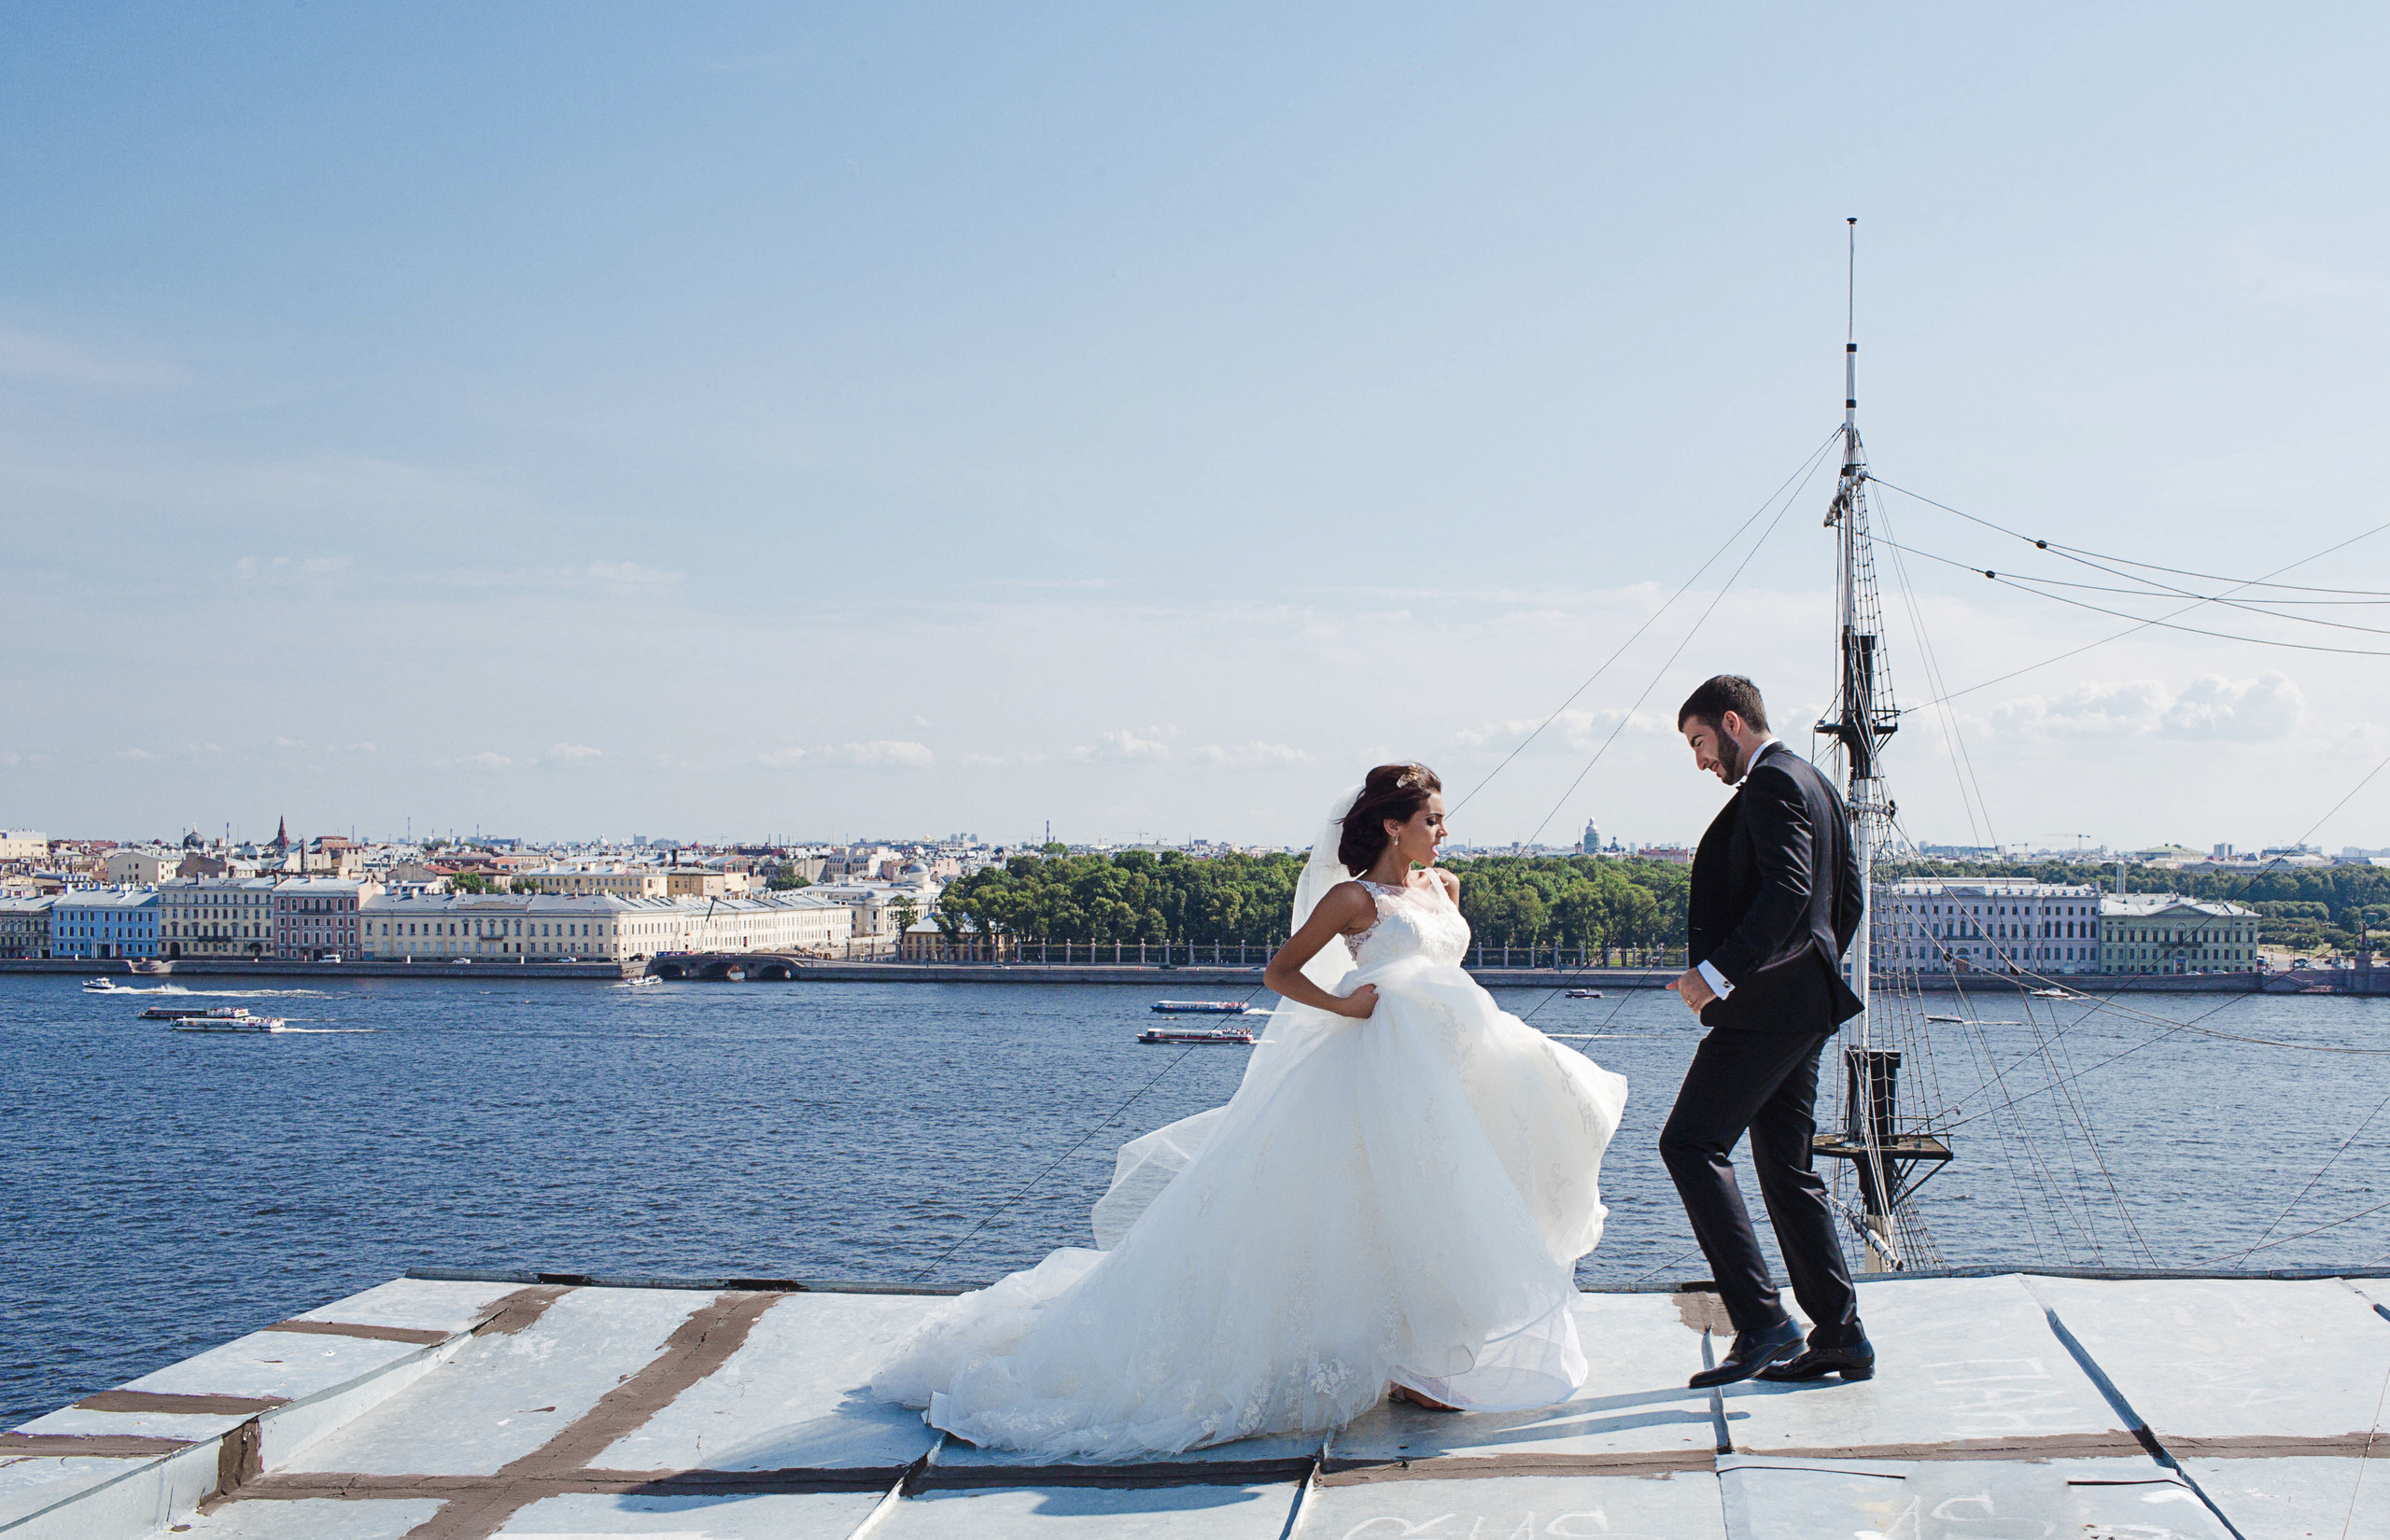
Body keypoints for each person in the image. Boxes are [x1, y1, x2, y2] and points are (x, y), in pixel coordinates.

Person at [872, 763, 1628, 1457]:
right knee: (1377, 1206)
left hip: (1455, 1063)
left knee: (1461, 1190)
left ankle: (1419, 1357)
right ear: (1394, 825)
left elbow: (1445, 970)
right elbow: (1280, 971)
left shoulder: (1447, 887)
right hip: (1382, 1063)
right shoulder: (1353, 898)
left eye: (1442, 819)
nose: (1443, 831)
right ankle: (1403, 1360)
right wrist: (1342, 1004)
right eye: (1432, 819)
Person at [1661, 675, 1876, 1388]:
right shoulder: (1814, 781)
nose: (1699, 762)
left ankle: (1762, 1322)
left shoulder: (1770, 784)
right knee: (1787, 1168)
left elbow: (1788, 892)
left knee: (1690, 1143)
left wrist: (1718, 976)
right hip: (1804, 1002)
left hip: (1770, 1004)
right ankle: (1840, 1335)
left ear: (1731, 722)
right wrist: (1814, 973)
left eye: (1698, 742)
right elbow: (1846, 899)